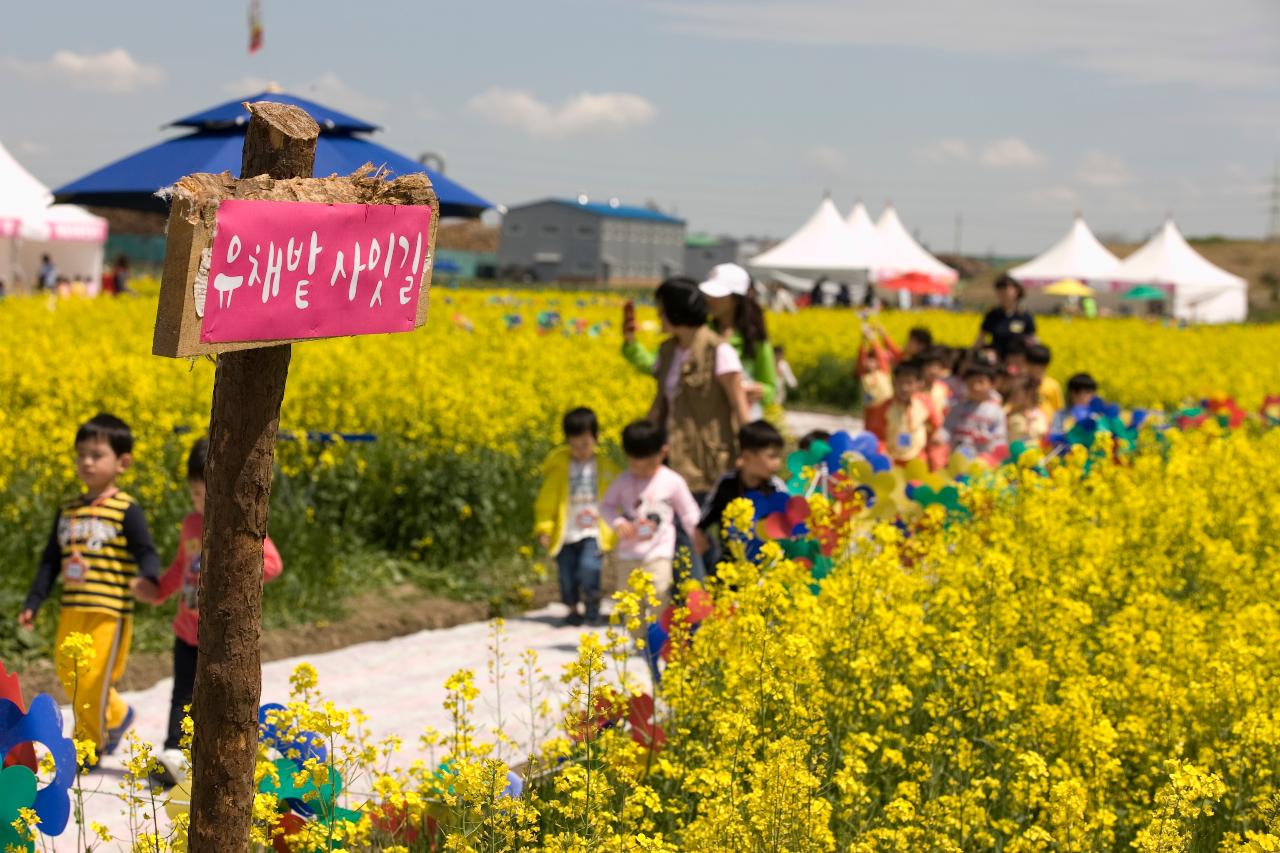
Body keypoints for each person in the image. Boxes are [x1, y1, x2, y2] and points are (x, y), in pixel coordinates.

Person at [131, 437, 282, 786]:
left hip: (223, 635)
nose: (201, 502)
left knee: (224, 697)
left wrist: (235, 568)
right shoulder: (190, 525)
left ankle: (228, 757)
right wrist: (156, 591)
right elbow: (179, 568)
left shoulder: (240, 524)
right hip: (186, 629)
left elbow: (272, 564)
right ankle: (173, 754)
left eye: (207, 494)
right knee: (182, 693)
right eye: (194, 494)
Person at [19, 414, 160, 768]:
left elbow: (146, 551)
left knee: (94, 677)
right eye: (81, 453)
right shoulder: (68, 510)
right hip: (72, 608)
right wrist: (34, 602)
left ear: (122, 463)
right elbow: (51, 560)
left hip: (109, 611)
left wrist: (148, 578)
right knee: (68, 673)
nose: (86, 461)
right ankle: (118, 714)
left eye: (96, 455)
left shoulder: (126, 509)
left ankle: (88, 746)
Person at [623, 265, 777, 420]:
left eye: (717, 295)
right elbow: (657, 365)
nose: (709, 300)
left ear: (736, 299)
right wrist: (631, 342)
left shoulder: (755, 339)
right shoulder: (696, 332)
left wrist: (761, 391)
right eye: (707, 294)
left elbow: (770, 387)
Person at [646, 277, 749, 497]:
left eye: (662, 310)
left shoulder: (719, 351)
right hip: (669, 456)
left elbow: (739, 407)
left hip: (706, 459)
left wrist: (748, 453)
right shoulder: (666, 351)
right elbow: (660, 403)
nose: (658, 315)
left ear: (677, 311)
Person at [533, 408, 619, 628]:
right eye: (574, 445)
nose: (580, 450)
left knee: (591, 569)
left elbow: (616, 499)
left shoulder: (606, 467)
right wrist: (545, 527)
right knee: (567, 574)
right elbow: (547, 500)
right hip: (566, 531)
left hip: (593, 531)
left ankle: (592, 610)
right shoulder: (560, 467)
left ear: (596, 438)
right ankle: (572, 609)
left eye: (585, 444)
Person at [601, 421, 701, 603]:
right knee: (630, 605)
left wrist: (697, 534)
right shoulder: (623, 480)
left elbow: (688, 512)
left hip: (659, 553)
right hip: (627, 555)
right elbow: (606, 506)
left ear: (663, 452)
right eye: (634, 464)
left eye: (647, 465)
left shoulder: (672, 480)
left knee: (659, 598)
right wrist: (618, 522)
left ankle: (657, 632)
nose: (641, 471)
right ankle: (637, 633)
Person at [694, 420, 788, 568]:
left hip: (765, 568)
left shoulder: (776, 487)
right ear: (747, 457)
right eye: (772, 456)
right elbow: (705, 517)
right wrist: (698, 535)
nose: (778, 463)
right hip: (729, 565)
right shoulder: (727, 483)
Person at [865, 361, 939, 466]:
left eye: (909, 383)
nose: (904, 388)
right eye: (900, 383)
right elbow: (877, 436)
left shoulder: (925, 403)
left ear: (919, 384)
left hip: (918, 458)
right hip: (892, 459)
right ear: (893, 383)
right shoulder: (883, 408)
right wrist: (883, 455)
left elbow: (935, 424)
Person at [944, 363, 1008, 458]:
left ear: (991, 384)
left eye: (980, 382)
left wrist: (987, 438)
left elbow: (1000, 438)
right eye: (971, 382)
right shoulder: (957, 408)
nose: (975, 387)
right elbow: (947, 429)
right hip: (958, 458)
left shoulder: (996, 411)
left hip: (984, 460)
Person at [976, 275, 1037, 360]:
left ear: (1017, 291)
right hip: (995, 360)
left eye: (1006, 289)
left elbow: (1033, 340)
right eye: (1000, 290)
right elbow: (980, 339)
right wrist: (981, 353)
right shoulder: (993, 314)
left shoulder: (1024, 316)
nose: (1003, 293)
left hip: (1018, 361)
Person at [1005, 377, 1049, 445]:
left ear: (1029, 393)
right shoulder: (1007, 412)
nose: (1013, 396)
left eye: (1017, 393)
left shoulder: (1038, 414)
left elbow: (1042, 433)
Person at [1026, 344, 1064, 420]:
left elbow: (1059, 410)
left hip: (1049, 427)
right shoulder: (1021, 384)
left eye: (1041, 365)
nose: (1037, 369)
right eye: (1033, 365)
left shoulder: (1052, 385)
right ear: (1027, 364)